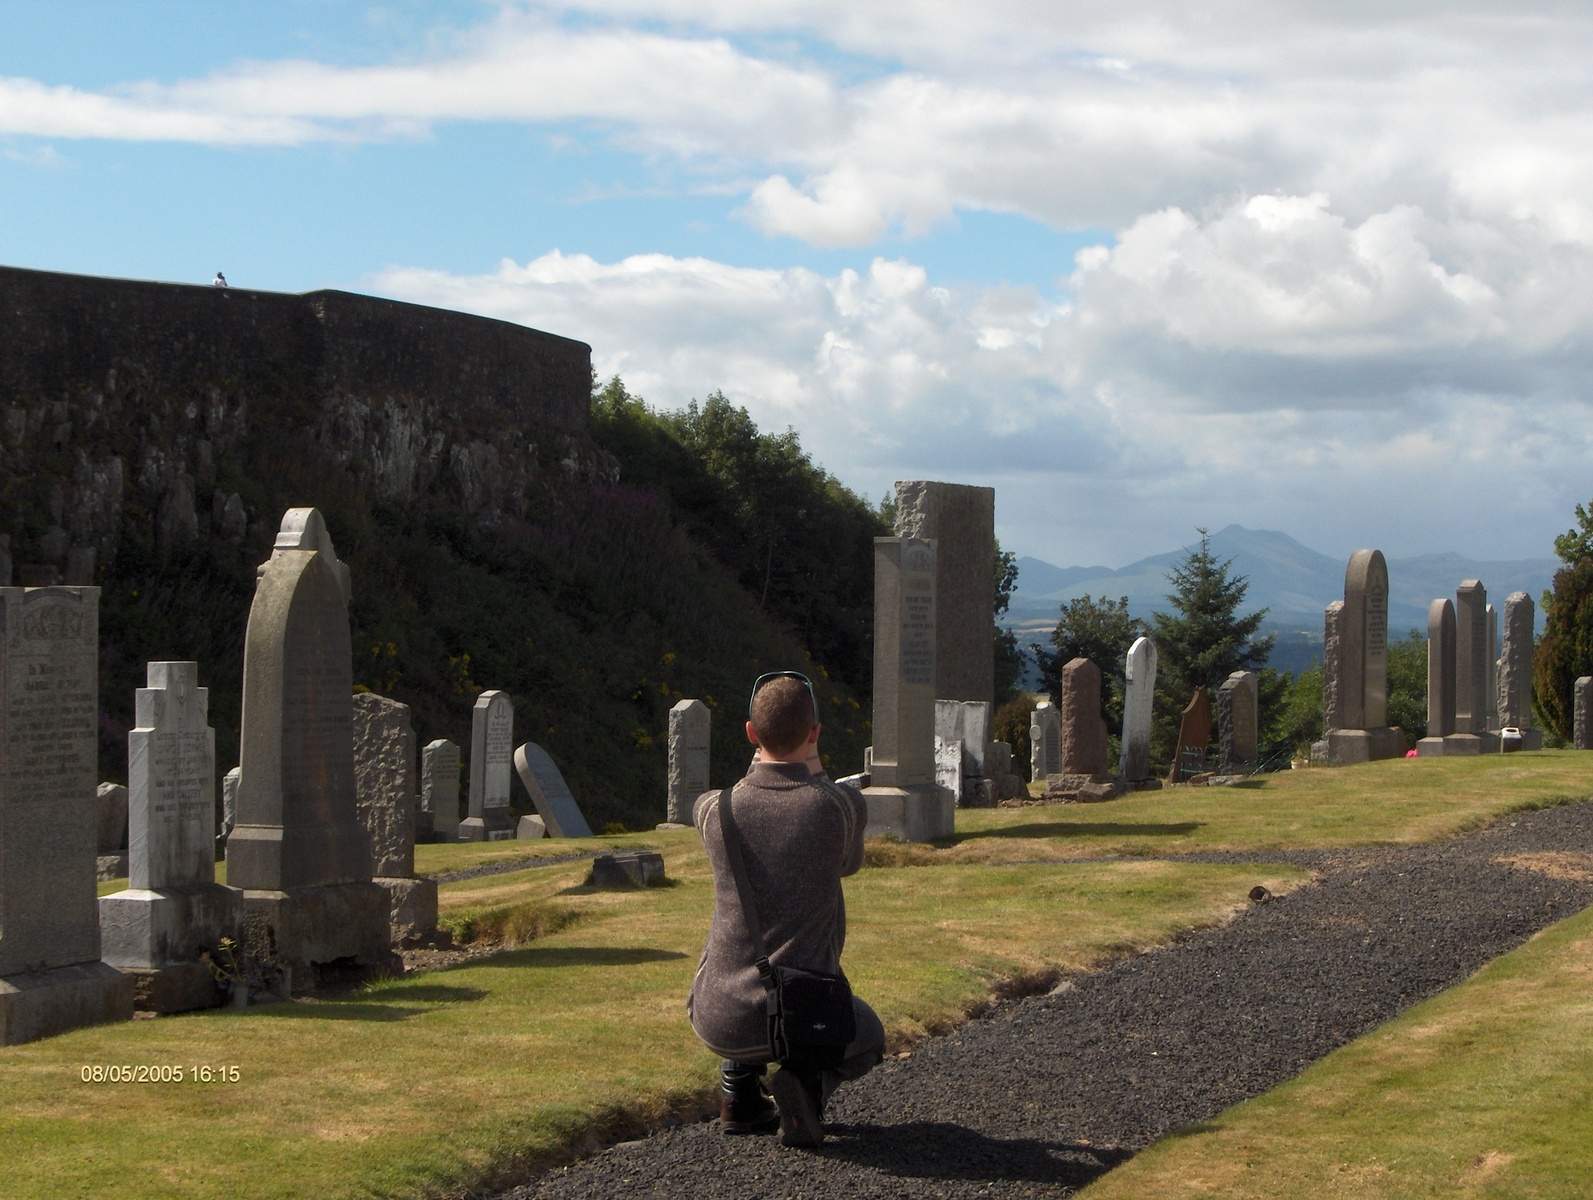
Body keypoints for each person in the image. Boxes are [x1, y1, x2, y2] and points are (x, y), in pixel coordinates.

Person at [688, 671, 884, 1148]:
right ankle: (805, 1084)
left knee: (745, 954)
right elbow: (848, 866)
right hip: (802, 1014)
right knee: (870, 1036)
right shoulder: (839, 806)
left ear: (750, 733)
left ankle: (738, 1094)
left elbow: (747, 793)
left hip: (719, 1013)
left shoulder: (713, 809)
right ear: (815, 733)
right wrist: (812, 766)